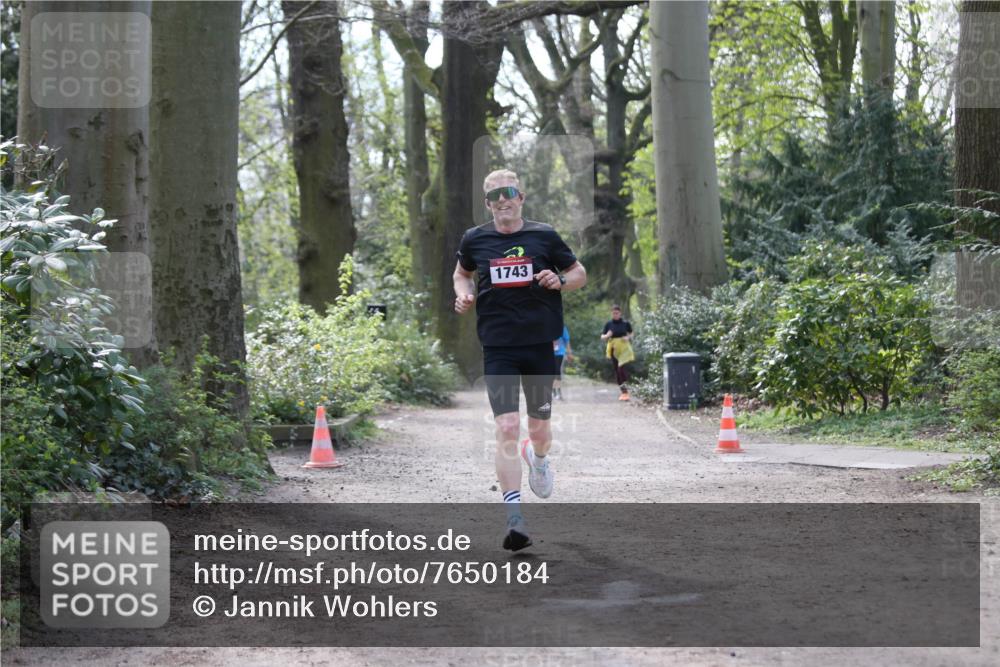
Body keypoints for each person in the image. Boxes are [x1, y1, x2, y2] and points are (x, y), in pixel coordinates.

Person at [453, 169, 587, 551]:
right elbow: (461, 274)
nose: (502, 200)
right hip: (498, 347)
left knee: (539, 428)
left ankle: (538, 457)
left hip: (539, 345)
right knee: (508, 426)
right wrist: (463, 294)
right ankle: (515, 518)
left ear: (521, 196)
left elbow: (579, 273)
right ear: (488, 203)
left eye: (508, 192)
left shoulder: (543, 235)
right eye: (494, 195)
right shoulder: (475, 239)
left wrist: (559, 281)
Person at [600, 304, 635, 401]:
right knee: (617, 370)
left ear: (620, 313)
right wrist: (607, 335)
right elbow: (602, 337)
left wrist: (627, 337)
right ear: (611, 313)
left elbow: (631, 333)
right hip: (613, 348)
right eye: (613, 313)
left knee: (620, 369)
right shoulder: (608, 324)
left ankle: (625, 391)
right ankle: (623, 392)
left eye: (617, 313)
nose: (615, 315)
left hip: (624, 348)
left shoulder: (625, 323)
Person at [552, 325, 572, 400]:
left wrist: (569, 353)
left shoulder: (562, 327)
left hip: (559, 352)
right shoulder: (546, 325)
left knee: (557, 371)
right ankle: (553, 392)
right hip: (548, 353)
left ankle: (559, 393)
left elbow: (567, 340)